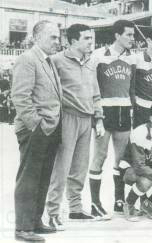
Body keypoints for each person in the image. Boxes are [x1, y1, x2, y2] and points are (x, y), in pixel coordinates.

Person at [46, 24, 105, 229]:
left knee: (79, 167)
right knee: (61, 168)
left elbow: (96, 94)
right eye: (87, 38)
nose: (91, 42)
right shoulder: (56, 61)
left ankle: (76, 209)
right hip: (67, 118)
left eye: (91, 38)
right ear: (72, 41)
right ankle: (52, 212)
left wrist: (99, 119)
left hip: (86, 120)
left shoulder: (90, 62)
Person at [11, 20, 61, 242]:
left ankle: (35, 222)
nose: (58, 41)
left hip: (50, 127)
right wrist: (36, 124)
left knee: (42, 177)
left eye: (58, 37)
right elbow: (20, 96)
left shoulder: (47, 61)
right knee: (29, 178)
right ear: (37, 37)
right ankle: (23, 228)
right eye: (53, 37)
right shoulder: (27, 59)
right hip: (36, 129)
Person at [88, 19, 136, 217]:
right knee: (100, 156)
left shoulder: (133, 58)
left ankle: (119, 200)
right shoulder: (98, 55)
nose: (132, 39)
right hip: (104, 110)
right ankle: (95, 203)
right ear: (117, 35)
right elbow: (92, 86)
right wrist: (96, 115)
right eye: (129, 35)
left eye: (133, 35)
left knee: (121, 159)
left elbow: (132, 88)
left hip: (124, 110)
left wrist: (132, 109)